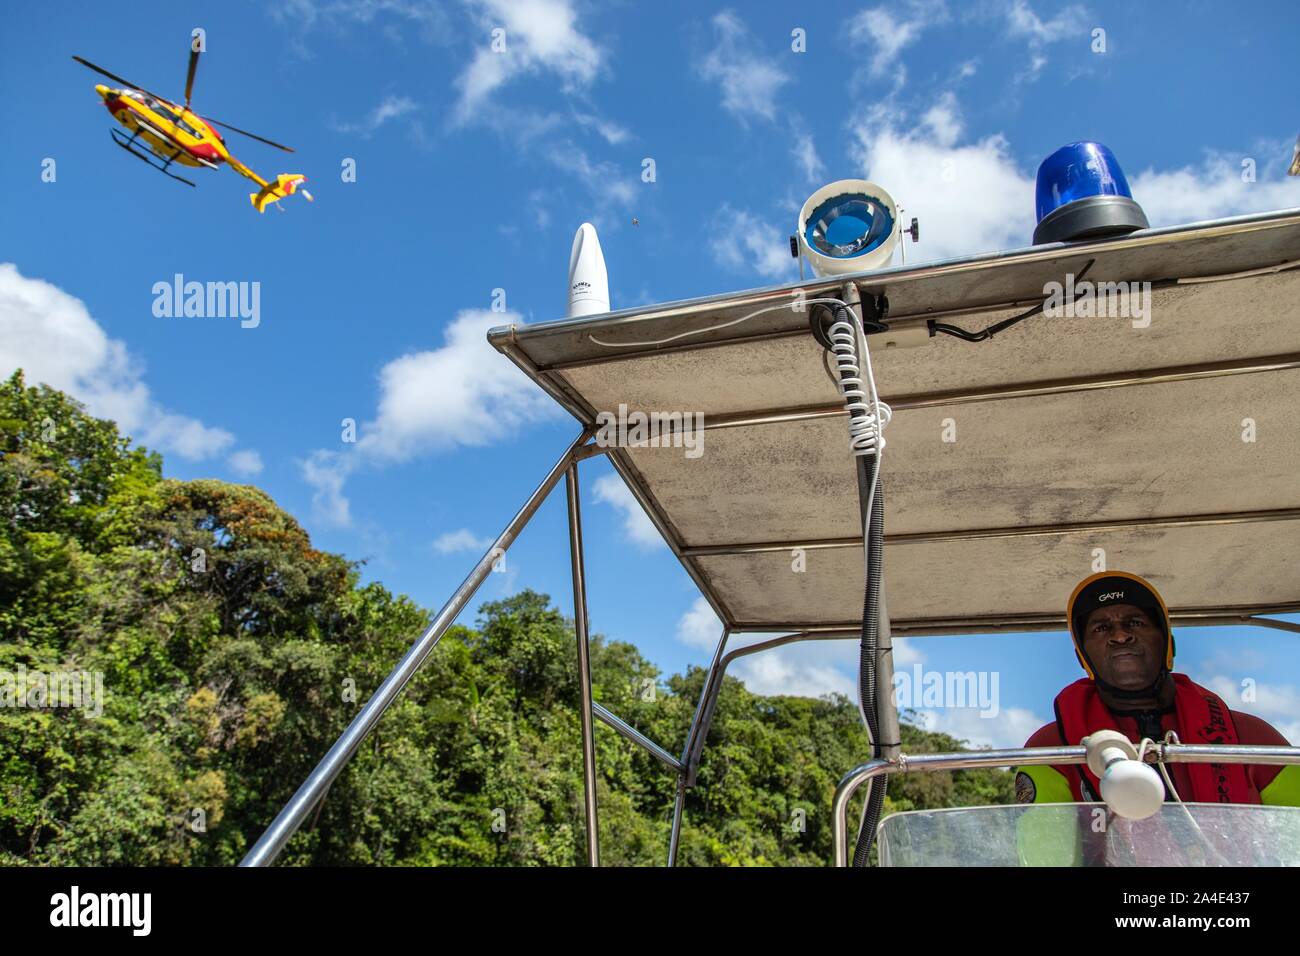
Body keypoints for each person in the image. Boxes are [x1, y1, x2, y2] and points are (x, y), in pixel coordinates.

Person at [1015, 570, 1300, 807]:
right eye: (1101, 628)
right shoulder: (1050, 749)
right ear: (1082, 658)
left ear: (1169, 646)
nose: (1121, 635)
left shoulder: (1253, 738)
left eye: (1135, 623)